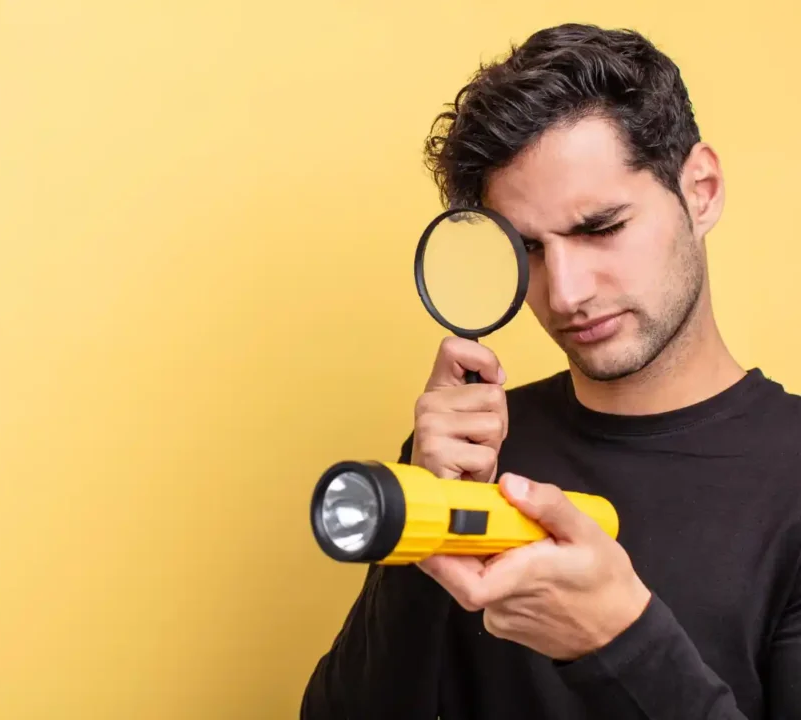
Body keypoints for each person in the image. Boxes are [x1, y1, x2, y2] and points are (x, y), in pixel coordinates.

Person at [299, 23, 801, 720]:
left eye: (600, 227)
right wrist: (419, 514)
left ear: (702, 191)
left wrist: (621, 643)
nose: (564, 292)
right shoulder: (473, 456)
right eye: (529, 248)